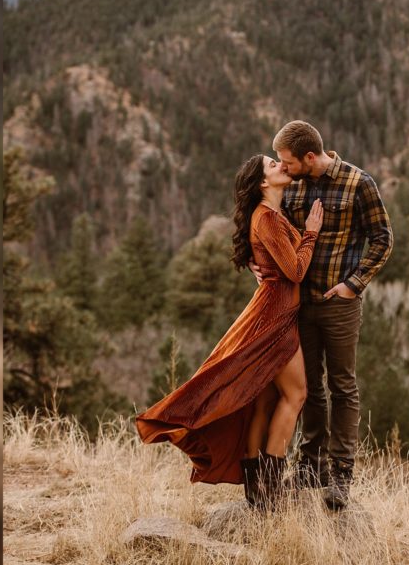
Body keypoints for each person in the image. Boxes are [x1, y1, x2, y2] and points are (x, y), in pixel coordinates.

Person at [137, 154, 323, 509]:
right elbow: (296, 271)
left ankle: (258, 492)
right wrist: (311, 232)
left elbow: (280, 265)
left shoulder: (271, 215)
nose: (281, 165)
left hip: (274, 310)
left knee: (265, 400)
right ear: (263, 183)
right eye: (273, 164)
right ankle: (268, 490)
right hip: (275, 318)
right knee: (296, 396)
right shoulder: (266, 218)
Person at [269, 120, 392, 510]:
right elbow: (278, 230)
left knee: (342, 386)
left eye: (286, 161)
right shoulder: (296, 185)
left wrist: (354, 284)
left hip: (340, 305)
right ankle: (311, 467)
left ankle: (341, 475)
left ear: (310, 156)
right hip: (300, 302)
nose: (281, 167)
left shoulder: (359, 184)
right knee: (309, 387)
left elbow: (383, 239)